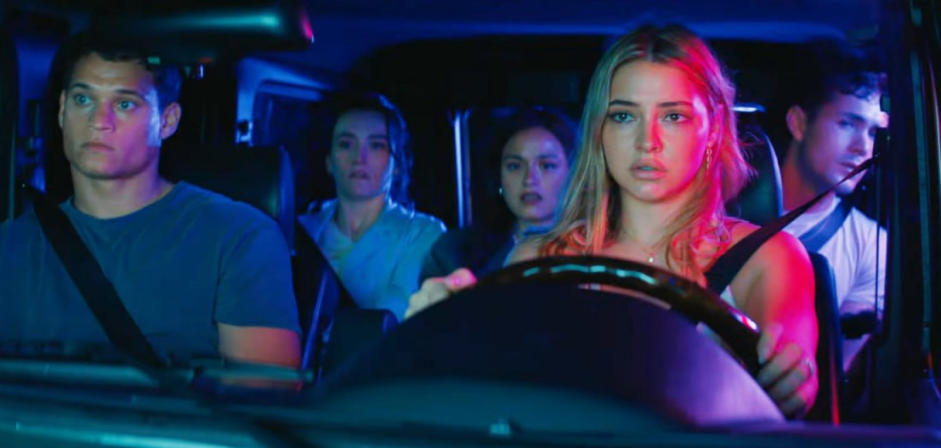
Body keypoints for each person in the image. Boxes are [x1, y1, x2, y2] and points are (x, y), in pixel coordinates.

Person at [406, 24, 818, 417]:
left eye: (674, 116)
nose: (647, 141)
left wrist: (789, 378)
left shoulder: (766, 257)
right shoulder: (540, 259)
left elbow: (789, 358)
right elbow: (495, 395)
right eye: (624, 116)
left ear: (711, 130)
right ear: (599, 131)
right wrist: (443, 333)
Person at [0, 36, 303, 375]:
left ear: (166, 121)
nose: (98, 121)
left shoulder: (238, 237)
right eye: (84, 99)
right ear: (62, 110)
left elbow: (262, 400)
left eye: (124, 104)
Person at [298, 93, 446, 320]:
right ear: (328, 161)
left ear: (396, 164)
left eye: (376, 145)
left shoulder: (422, 234)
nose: (360, 158)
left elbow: (388, 319)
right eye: (346, 144)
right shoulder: (300, 231)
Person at [776, 41, 888, 319]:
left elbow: (842, 347)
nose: (863, 147)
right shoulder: (722, 212)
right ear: (798, 123)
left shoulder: (871, 245)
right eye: (847, 124)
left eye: (872, 132)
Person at [420, 107, 577, 281]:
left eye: (546, 166)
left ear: (574, 174)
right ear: (498, 177)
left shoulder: (596, 249)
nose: (529, 179)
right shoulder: (453, 254)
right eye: (515, 166)